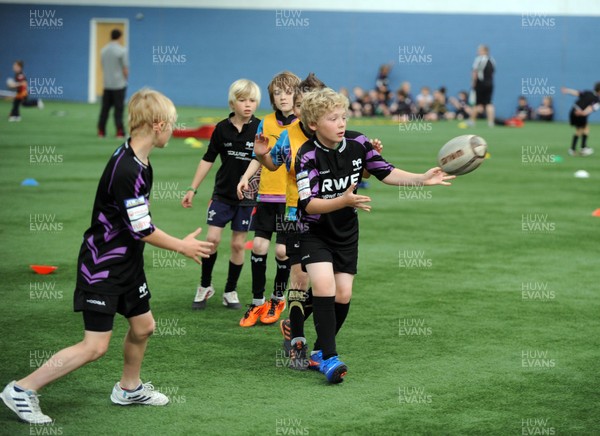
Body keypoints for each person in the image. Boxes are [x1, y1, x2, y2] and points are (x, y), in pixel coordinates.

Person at [1, 89, 214, 425]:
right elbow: (142, 229)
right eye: (172, 125)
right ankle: (23, 389)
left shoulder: (142, 162)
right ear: (158, 125)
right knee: (94, 347)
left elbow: (137, 223)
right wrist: (182, 246)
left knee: (144, 327)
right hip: (103, 267)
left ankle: (129, 389)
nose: (174, 130)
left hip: (127, 264)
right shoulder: (127, 169)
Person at [294, 88, 454, 383]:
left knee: (343, 294)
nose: (341, 123)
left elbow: (386, 172)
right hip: (313, 230)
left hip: (345, 232)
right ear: (314, 124)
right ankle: (329, 357)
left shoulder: (358, 142)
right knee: (325, 285)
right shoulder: (307, 156)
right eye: (333, 118)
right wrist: (342, 200)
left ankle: (313, 345)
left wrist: (421, 179)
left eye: (343, 116)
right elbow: (308, 203)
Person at [182, 79, 261, 310]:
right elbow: (208, 158)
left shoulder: (260, 129)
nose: (248, 105)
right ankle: (205, 285)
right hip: (222, 195)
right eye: (243, 100)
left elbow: (263, 160)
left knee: (238, 245)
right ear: (232, 102)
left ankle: (230, 290)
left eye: (252, 100)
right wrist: (192, 188)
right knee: (212, 240)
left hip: (247, 198)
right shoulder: (221, 128)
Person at [236, 71, 300, 327]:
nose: (283, 97)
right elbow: (257, 156)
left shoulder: (302, 124)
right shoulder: (266, 123)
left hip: (289, 199)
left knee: (283, 251)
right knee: (260, 247)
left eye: (288, 92)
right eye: (277, 92)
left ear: (297, 95)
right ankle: (256, 302)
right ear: (272, 97)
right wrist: (245, 177)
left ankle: (277, 299)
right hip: (265, 197)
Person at [97, 29, 129, 138]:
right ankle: (119, 131)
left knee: (105, 109)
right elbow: (125, 68)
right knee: (119, 109)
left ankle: (101, 131)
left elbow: (102, 65)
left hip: (107, 84)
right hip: (119, 85)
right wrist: (125, 79)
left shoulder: (103, 50)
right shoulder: (122, 51)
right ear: (120, 37)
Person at [562, 83, 600, 156]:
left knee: (583, 128)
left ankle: (578, 148)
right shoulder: (597, 99)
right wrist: (583, 113)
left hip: (573, 110)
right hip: (579, 113)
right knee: (582, 130)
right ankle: (580, 148)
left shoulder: (588, 92)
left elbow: (577, 93)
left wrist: (567, 90)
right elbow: (591, 108)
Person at [469, 44, 495, 127]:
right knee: (489, 103)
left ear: (485, 51)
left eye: (479, 50)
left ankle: (472, 121)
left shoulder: (478, 59)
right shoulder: (492, 60)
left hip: (481, 84)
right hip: (490, 84)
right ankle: (491, 122)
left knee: (477, 103)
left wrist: (473, 83)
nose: (478, 52)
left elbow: (474, 72)